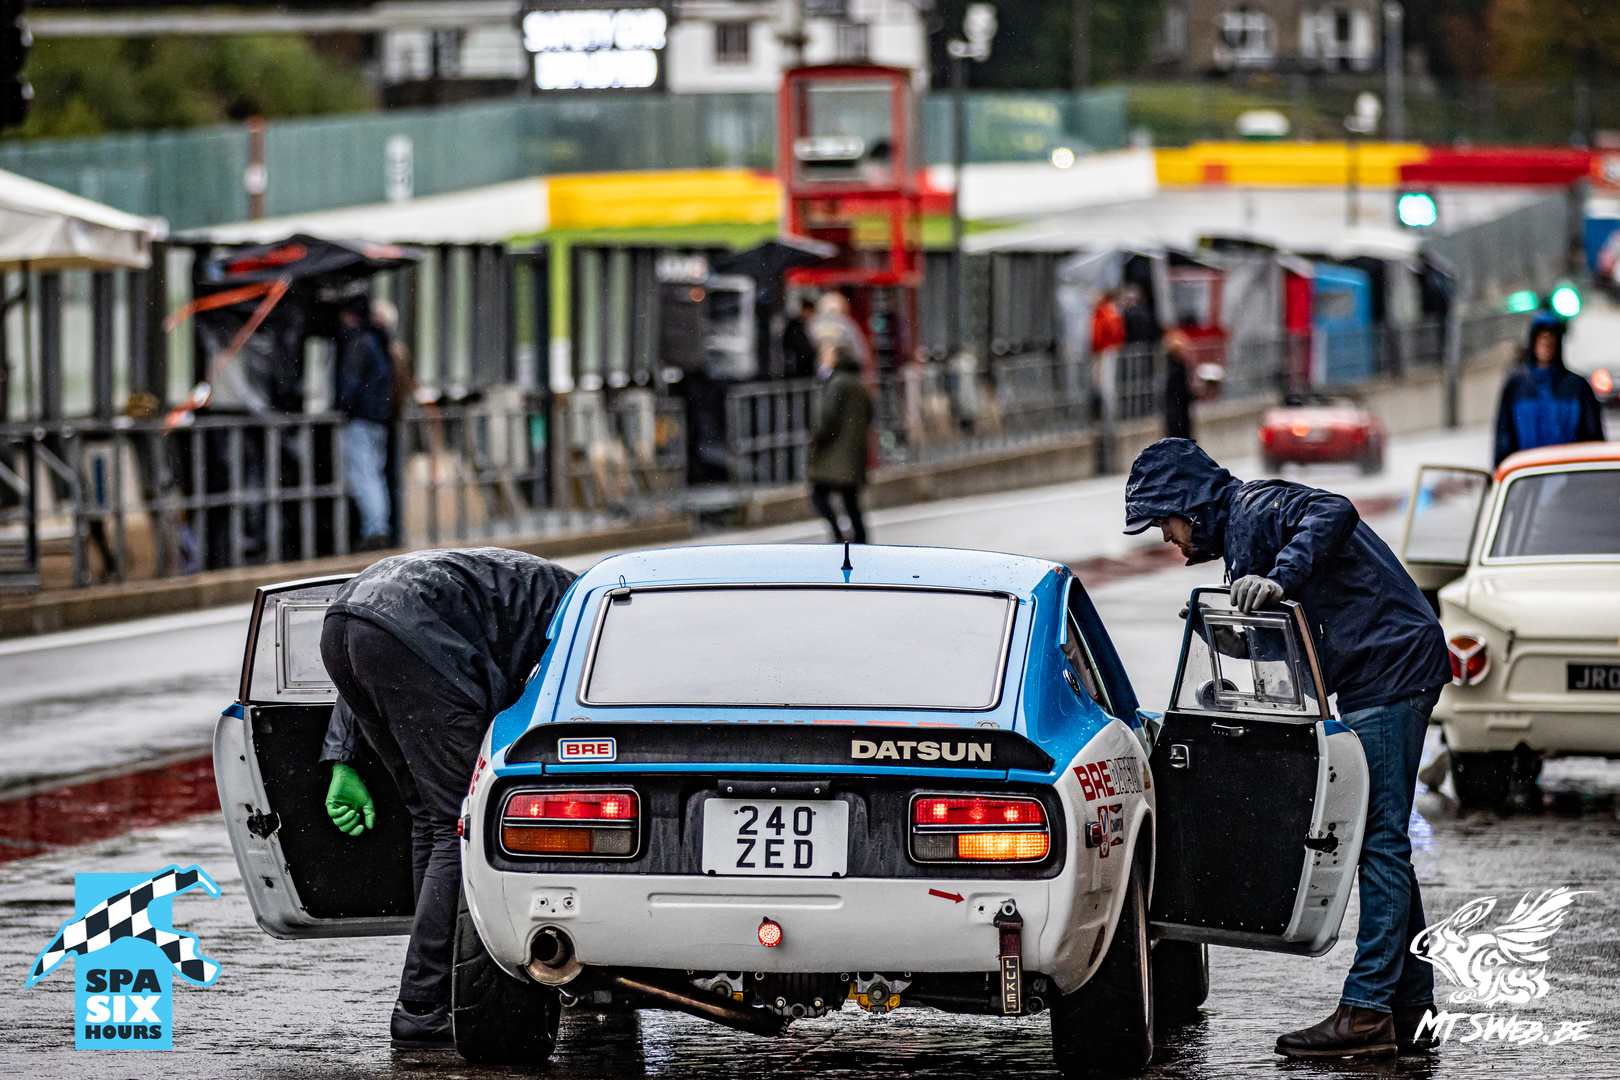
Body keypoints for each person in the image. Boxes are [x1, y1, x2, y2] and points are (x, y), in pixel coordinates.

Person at [1123, 438, 1450, 1060]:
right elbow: (1292, 635)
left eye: (1163, 521)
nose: (1166, 537)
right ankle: (1409, 1006)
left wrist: (1277, 579)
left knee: (1380, 842)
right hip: (1381, 670)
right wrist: (1231, 641)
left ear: (1188, 505)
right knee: (1382, 843)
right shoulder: (1242, 538)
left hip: (1390, 669)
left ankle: (1367, 1013)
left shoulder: (1255, 507)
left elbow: (1333, 510)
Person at [318, 548, 577, 1048]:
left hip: (344, 620)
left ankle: (439, 993)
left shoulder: (542, 587)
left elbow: (378, 626)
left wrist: (342, 758)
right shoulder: (589, 612)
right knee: (466, 824)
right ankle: (426, 1005)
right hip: (401, 627)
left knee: (435, 822)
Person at [1492, 311, 1605, 466]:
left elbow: (1594, 441)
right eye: (1541, 337)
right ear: (1533, 342)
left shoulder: (1577, 387)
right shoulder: (1516, 387)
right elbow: (1504, 440)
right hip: (1529, 474)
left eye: (1551, 338)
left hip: (1570, 474)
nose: (1546, 343)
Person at [806, 300, 874, 544]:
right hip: (852, 453)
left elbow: (828, 418)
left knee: (819, 495)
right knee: (851, 501)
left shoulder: (836, 383)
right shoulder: (856, 382)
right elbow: (870, 412)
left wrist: (817, 439)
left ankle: (839, 535)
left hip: (835, 454)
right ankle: (861, 542)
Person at [335, 302, 395, 550]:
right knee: (375, 475)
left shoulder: (361, 343)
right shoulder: (382, 344)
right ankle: (378, 528)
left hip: (361, 419)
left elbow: (350, 383)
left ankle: (374, 531)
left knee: (364, 476)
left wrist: (342, 407)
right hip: (378, 419)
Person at [1162, 329, 1195, 441]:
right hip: (1178, 418)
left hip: (1176, 417)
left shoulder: (1173, 368)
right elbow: (1182, 394)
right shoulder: (1177, 370)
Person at [781, 297, 818, 380]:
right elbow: (801, 348)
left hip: (802, 369)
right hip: (798, 370)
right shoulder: (795, 326)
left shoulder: (803, 325)